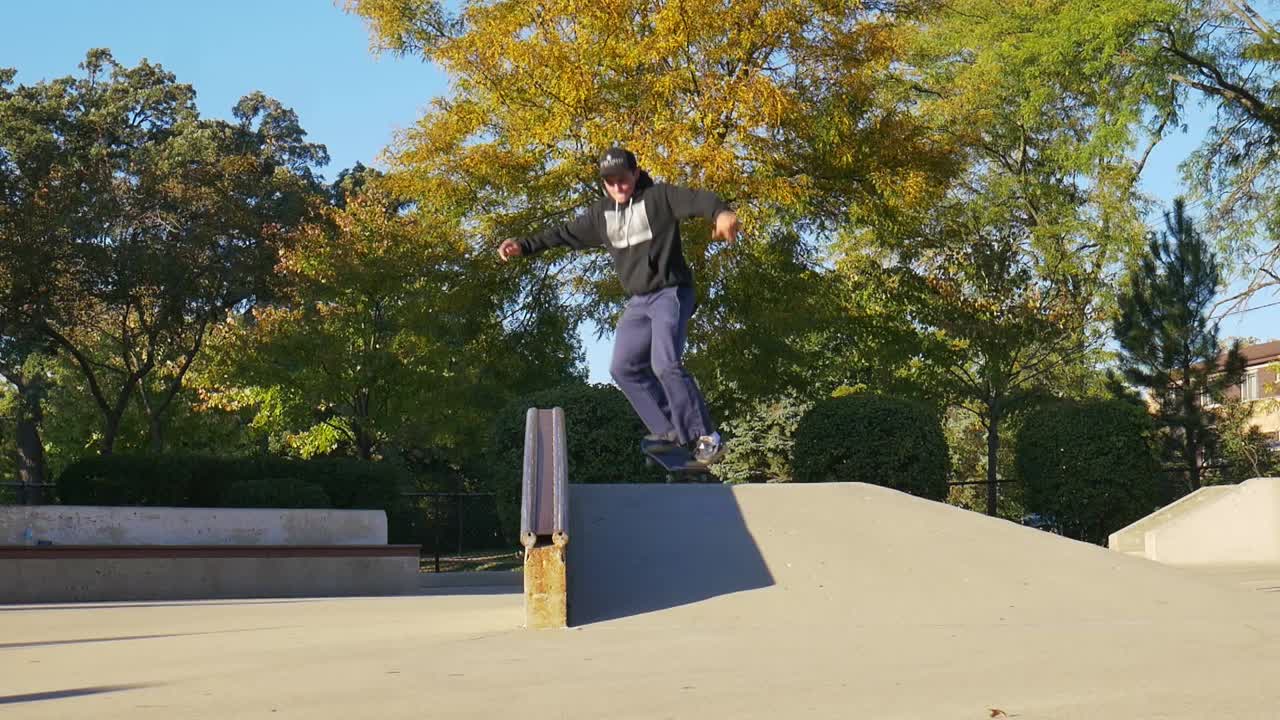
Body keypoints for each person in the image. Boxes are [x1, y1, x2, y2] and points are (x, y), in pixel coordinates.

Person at [498, 147, 740, 465]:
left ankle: (707, 436)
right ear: (604, 184)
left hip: (671, 293)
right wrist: (524, 245)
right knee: (623, 368)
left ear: (635, 174)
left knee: (665, 364)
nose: (618, 188)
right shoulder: (601, 215)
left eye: (623, 180)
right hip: (639, 302)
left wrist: (721, 213)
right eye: (610, 183)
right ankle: (672, 435)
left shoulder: (659, 197)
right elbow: (564, 233)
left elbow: (699, 200)